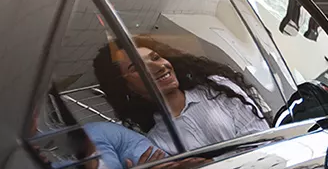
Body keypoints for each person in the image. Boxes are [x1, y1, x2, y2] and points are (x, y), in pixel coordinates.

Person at [94, 36, 271, 155]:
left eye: (155, 58)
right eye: (138, 68)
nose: (159, 67)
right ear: (127, 88)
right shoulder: (156, 141)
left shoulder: (217, 87)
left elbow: (262, 139)